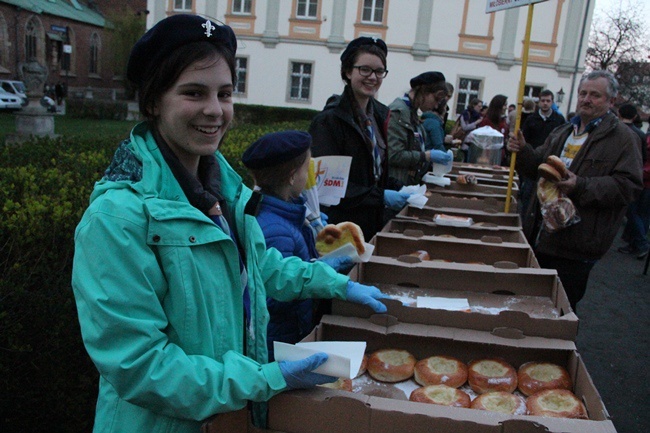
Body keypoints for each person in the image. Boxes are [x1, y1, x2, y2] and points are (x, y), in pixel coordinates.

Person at [71, 15, 389, 433]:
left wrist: (335, 282)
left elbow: (259, 266)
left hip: (230, 419)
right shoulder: (118, 218)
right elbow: (140, 365)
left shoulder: (228, 192)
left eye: (224, 93)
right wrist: (267, 378)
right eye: (193, 93)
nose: (214, 110)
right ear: (153, 102)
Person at [507, 70, 643, 311]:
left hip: (577, 242)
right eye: (583, 93)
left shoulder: (623, 138)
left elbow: (629, 187)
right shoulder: (563, 131)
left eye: (595, 95)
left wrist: (581, 185)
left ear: (611, 101)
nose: (586, 99)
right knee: (532, 303)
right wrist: (523, 150)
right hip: (542, 233)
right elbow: (537, 166)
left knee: (560, 308)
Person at [241, 130, 353, 361]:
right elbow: (272, 295)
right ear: (292, 176)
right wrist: (322, 272)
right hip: (281, 342)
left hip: (288, 333)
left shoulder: (286, 212)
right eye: (306, 168)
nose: (310, 175)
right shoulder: (275, 230)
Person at [309, 37, 407, 239]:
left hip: (372, 224)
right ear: (347, 71)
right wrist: (382, 197)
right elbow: (328, 187)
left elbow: (373, 172)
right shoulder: (329, 121)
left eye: (379, 71)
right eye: (365, 69)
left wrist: (402, 188)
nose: (373, 77)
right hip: (341, 229)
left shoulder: (379, 115)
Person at [387, 71, 452, 186]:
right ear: (423, 91)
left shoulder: (411, 113)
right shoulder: (399, 112)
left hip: (406, 183)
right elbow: (394, 155)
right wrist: (426, 156)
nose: (436, 106)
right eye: (436, 99)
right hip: (396, 184)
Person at [518, 90, 567, 218]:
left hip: (550, 163)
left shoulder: (559, 120)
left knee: (548, 196)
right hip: (532, 161)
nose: (545, 104)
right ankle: (525, 220)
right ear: (539, 102)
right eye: (543, 101)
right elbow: (525, 139)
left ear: (552, 102)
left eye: (548, 101)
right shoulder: (531, 119)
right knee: (528, 194)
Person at [616, 103, 649, 258]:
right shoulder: (641, 135)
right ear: (635, 116)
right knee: (637, 213)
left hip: (624, 177)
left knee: (632, 211)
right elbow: (642, 157)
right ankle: (635, 243)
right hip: (638, 177)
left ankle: (641, 243)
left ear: (619, 114)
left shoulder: (616, 131)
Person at [422, 83, 454, 152]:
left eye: (449, 97)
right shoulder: (433, 121)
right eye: (446, 95)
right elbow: (437, 144)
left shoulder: (428, 118)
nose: (446, 98)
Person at [478, 94, 509, 165]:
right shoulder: (487, 121)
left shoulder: (503, 121)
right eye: (504, 105)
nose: (506, 108)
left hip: (500, 157)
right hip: (487, 158)